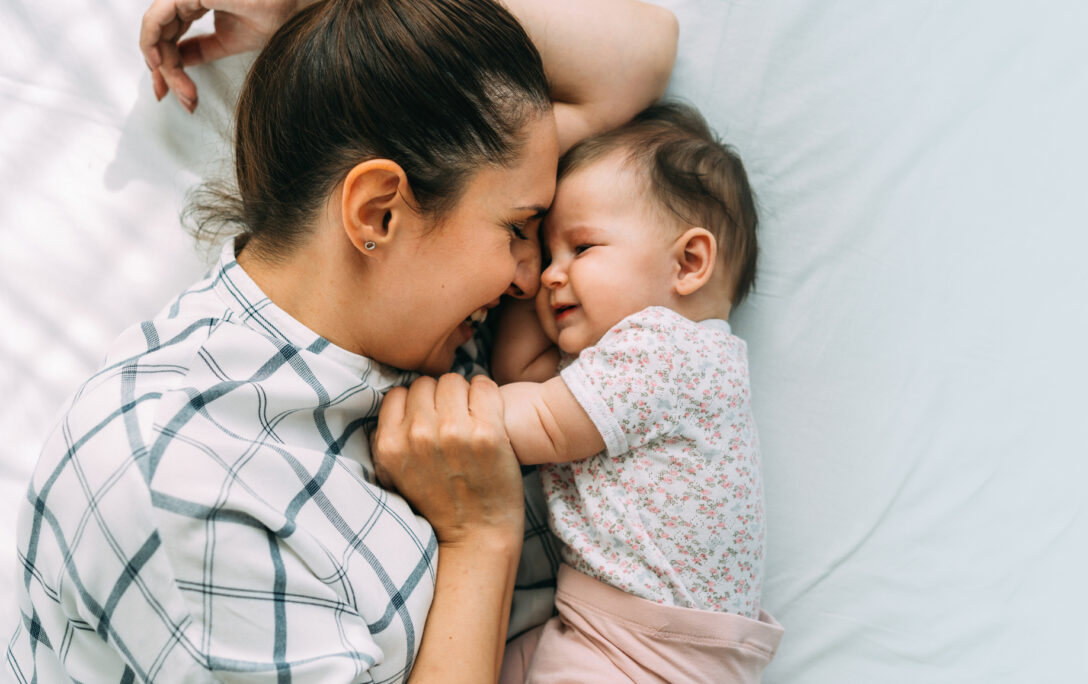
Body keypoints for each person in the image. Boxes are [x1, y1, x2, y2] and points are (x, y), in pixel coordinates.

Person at [7, 0, 676, 681]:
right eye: (516, 228)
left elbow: (641, 56)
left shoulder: (415, 323)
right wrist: (481, 538)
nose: (530, 277)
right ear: (378, 213)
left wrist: (340, 15)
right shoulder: (187, 479)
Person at [487, 103, 782, 682]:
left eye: (582, 247)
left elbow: (537, 421)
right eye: (549, 254)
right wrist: (551, 275)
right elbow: (520, 374)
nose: (549, 273)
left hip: (647, 651)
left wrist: (439, 410)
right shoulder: (635, 362)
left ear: (689, 262)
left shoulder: (665, 350)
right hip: (621, 635)